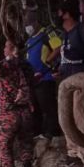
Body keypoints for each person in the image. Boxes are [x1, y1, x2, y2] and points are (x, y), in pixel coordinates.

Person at [50, 0, 84, 167]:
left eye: (60, 12)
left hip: (80, 80)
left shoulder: (79, 30)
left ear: (67, 14)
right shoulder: (65, 35)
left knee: (80, 116)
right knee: (66, 117)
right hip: (65, 81)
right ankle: (73, 154)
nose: (57, 16)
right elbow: (64, 58)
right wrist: (58, 71)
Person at [0, 44, 35, 167]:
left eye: (6, 47)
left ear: (12, 50)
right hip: (25, 111)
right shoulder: (26, 66)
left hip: (9, 113)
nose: (3, 49)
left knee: (4, 145)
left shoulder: (8, 66)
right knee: (25, 141)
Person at [23, 11, 62, 140]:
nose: (27, 27)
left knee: (48, 105)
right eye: (25, 25)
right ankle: (38, 132)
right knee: (35, 107)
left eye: (29, 24)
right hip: (33, 79)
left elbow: (58, 47)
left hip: (45, 76)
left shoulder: (47, 33)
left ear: (36, 22)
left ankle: (54, 131)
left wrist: (47, 62)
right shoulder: (29, 40)